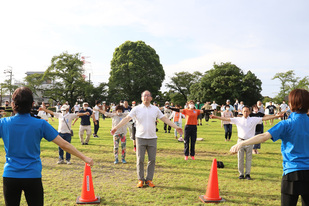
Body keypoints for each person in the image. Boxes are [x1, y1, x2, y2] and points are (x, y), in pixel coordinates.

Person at [0, 87, 93, 206]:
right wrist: (84, 158)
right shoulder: (40, 124)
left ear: (13, 104)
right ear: (32, 104)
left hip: (10, 176)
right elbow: (64, 144)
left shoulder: (3, 123)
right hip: (32, 176)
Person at [230, 89, 309, 206]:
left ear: (293, 104)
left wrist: (241, 143)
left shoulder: (286, 124)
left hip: (292, 173)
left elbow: (263, 136)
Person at [110, 90, 183, 188]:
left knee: (152, 160)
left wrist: (175, 127)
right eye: (144, 96)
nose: (146, 97)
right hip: (140, 137)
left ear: (151, 98)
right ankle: (140, 179)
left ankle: (149, 179)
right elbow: (126, 119)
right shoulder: (136, 109)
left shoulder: (155, 109)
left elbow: (164, 119)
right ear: (141, 98)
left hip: (152, 138)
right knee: (140, 159)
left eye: (148, 96)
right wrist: (116, 127)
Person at [210, 106, 281, 180]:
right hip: (240, 141)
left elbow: (264, 118)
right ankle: (241, 174)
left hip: (250, 141)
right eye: (244, 111)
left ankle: (247, 174)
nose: (245, 113)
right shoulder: (238, 119)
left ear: (249, 112)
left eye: (247, 111)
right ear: (242, 112)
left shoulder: (254, 119)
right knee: (240, 158)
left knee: (248, 159)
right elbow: (226, 119)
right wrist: (216, 117)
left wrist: (276, 116)